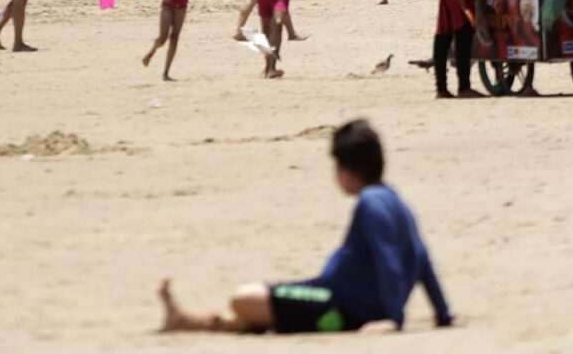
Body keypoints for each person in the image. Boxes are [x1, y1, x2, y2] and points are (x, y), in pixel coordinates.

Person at [158, 120, 452, 335]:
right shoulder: (395, 199)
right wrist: (443, 313)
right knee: (260, 312)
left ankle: (186, 320)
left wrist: (392, 319)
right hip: (340, 300)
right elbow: (421, 257)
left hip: (338, 305)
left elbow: (388, 260)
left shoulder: (370, 204)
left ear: (346, 171)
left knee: (244, 298)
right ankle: (185, 321)